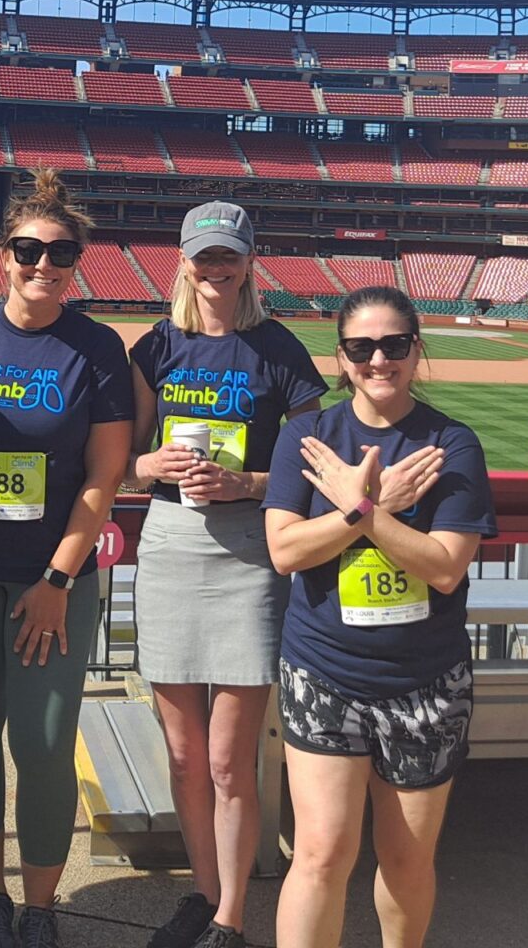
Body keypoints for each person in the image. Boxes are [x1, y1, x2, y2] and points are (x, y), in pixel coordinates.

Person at [0, 170, 134, 948]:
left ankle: (41, 905)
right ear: (1, 254)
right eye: (28, 250)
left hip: (56, 579)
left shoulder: (96, 349)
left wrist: (57, 579)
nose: (44, 265)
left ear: (79, 260)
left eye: (60, 253)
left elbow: (104, 479)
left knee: (42, 743)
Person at [264, 286, 495, 948]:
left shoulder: (452, 443)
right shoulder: (307, 439)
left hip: (426, 681)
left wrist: (366, 511)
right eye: (362, 348)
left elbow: (445, 566)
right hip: (324, 672)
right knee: (320, 855)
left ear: (416, 351)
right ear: (341, 358)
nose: (379, 361)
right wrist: (358, 511)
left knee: (406, 860)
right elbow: (285, 550)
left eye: (394, 345)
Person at [126, 203, 326, 948]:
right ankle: (203, 897)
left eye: (228, 257)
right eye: (204, 257)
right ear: (184, 261)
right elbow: (125, 459)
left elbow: (310, 469)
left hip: (249, 551)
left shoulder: (277, 350)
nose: (216, 270)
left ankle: (233, 917)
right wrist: (151, 465)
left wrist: (246, 484)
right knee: (182, 754)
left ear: (249, 263)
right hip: (172, 545)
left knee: (226, 759)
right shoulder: (158, 345)